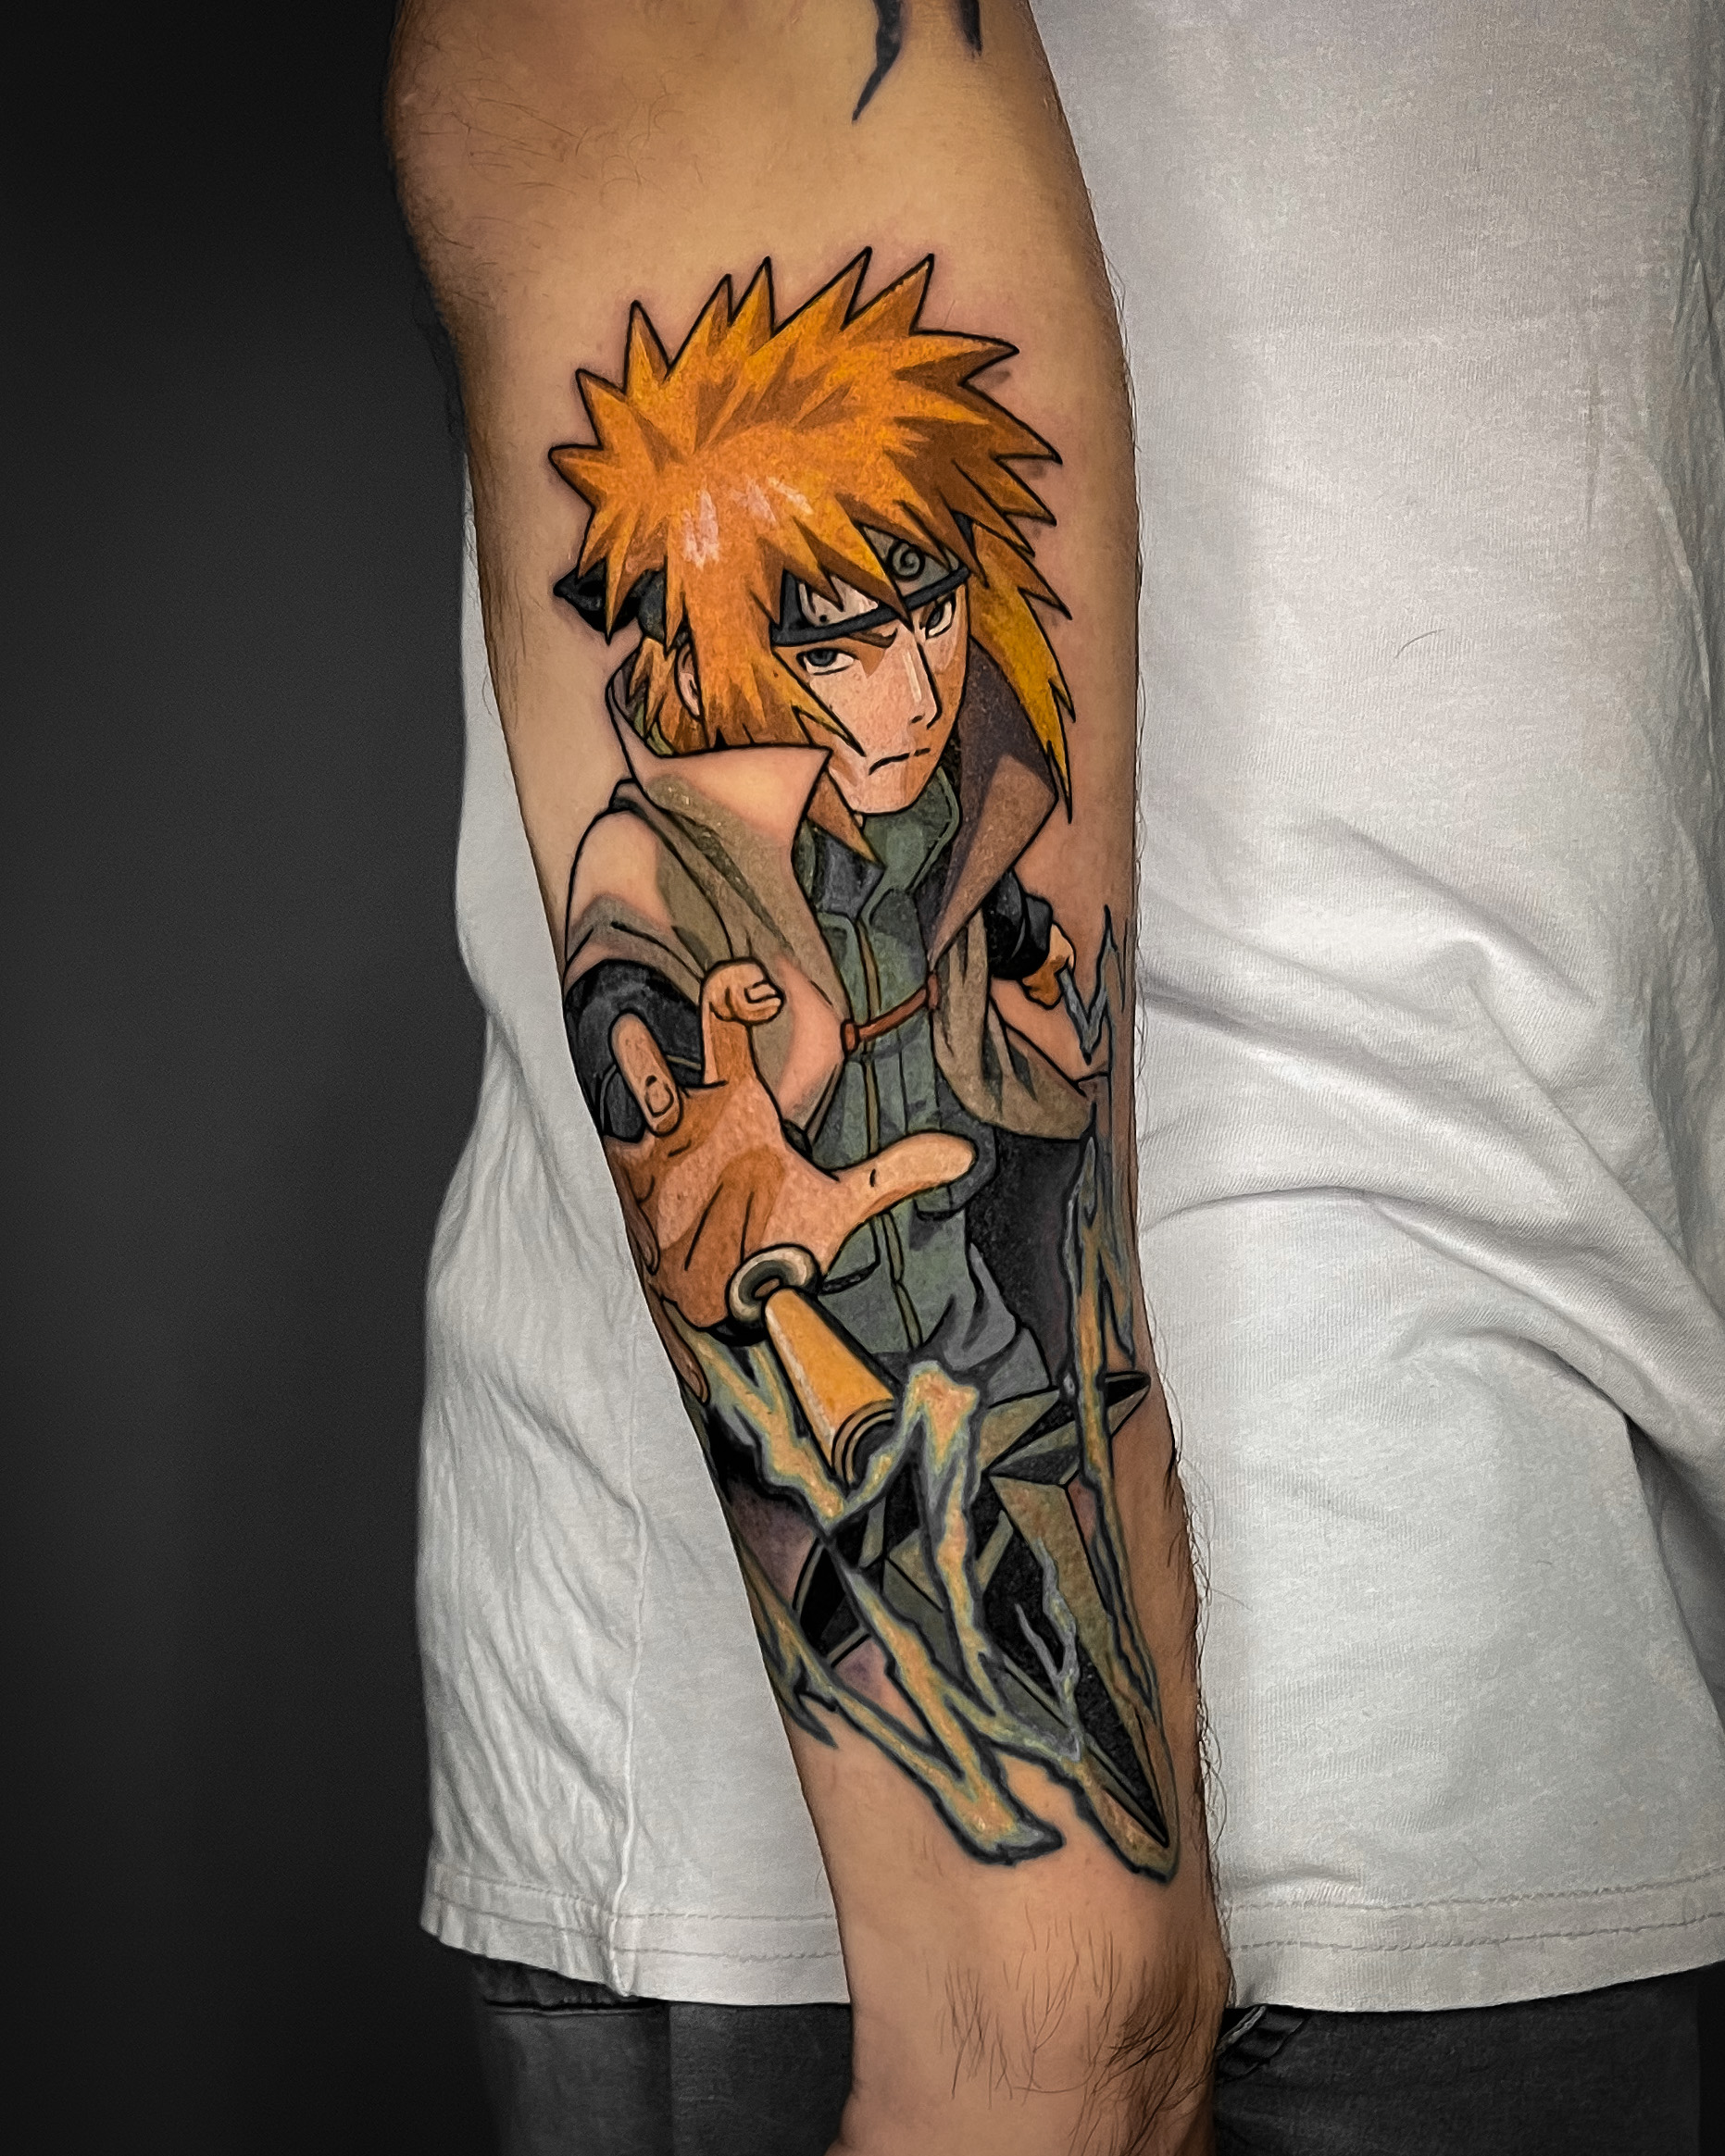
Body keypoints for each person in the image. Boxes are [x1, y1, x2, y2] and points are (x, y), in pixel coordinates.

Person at [389, 3, 1725, 2150]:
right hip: (894, 1845)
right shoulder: (689, 873)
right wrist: (1043, 2006)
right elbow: (687, 69)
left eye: (915, 609)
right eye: (825, 642)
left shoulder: (970, 780)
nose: (896, 684)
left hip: (1531, 1605)